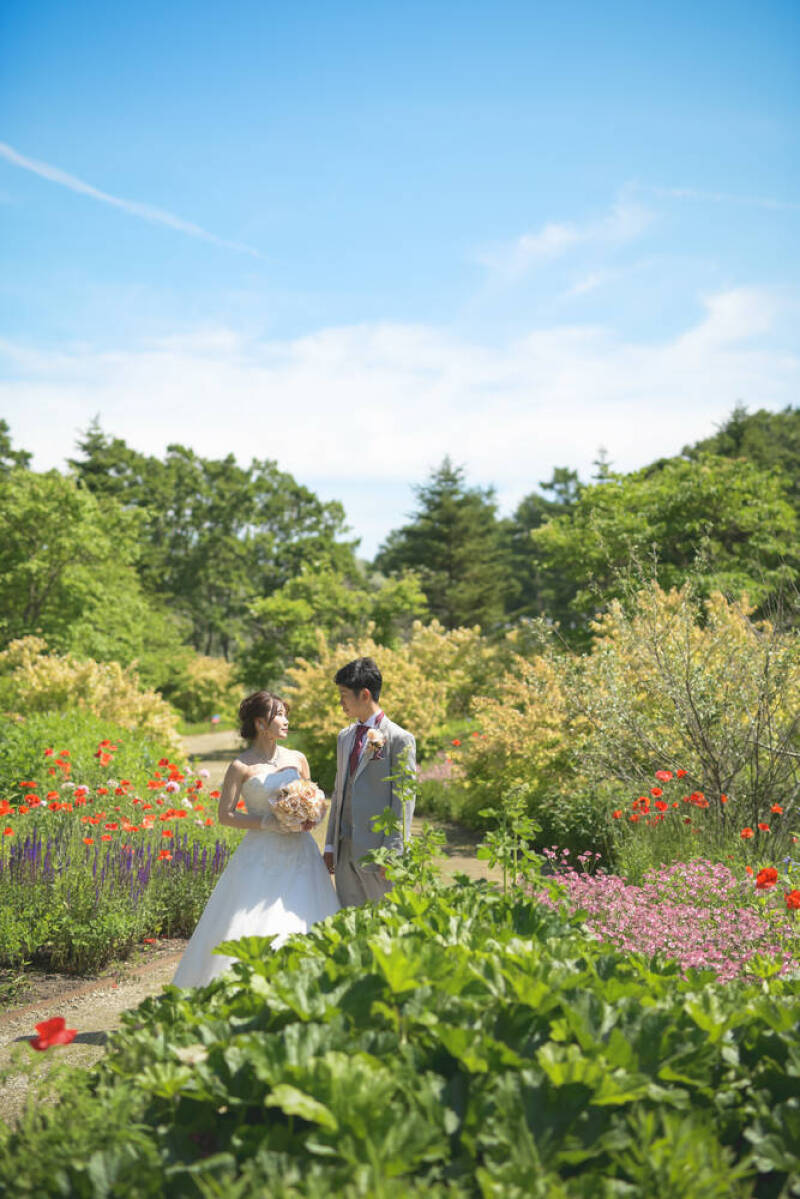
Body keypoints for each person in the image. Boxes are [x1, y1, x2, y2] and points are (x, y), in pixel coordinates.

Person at [172, 691, 340, 988]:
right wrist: (266, 822)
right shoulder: (240, 766)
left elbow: (311, 798)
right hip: (259, 856)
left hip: (301, 855)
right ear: (261, 723)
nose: (287, 721)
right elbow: (225, 815)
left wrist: (310, 815)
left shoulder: (298, 759)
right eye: (280, 714)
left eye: (287, 714)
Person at [323, 658, 416, 907]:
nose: (340, 701)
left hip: (378, 854)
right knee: (349, 922)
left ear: (364, 695)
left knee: (383, 923)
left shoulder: (399, 738)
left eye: (344, 694)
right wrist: (331, 845)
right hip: (344, 851)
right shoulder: (345, 737)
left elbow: (403, 802)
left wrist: (392, 853)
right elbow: (339, 792)